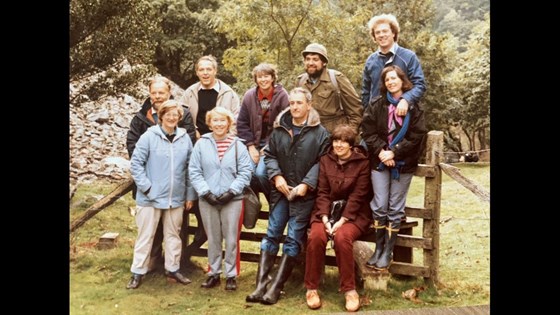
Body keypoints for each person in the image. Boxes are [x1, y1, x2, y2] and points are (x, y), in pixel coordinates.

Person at [246, 87, 330, 305]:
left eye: (299, 103)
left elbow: (322, 163)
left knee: (293, 238)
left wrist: (306, 184)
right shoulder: (280, 129)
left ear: (309, 105)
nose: (294, 107)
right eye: (291, 103)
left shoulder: (321, 134)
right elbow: (270, 155)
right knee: (272, 233)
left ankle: (276, 287)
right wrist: (276, 177)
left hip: (303, 196)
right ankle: (260, 285)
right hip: (281, 192)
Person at [125, 76, 196, 272]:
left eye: (161, 92)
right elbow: (134, 148)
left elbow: (189, 151)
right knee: (148, 231)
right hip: (150, 184)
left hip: (175, 187)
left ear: (169, 93)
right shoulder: (141, 118)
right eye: (154, 93)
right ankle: (147, 264)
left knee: (175, 231)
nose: (157, 96)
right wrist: (150, 174)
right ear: (150, 94)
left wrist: (189, 191)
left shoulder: (183, 117)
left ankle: (174, 266)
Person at [360, 65, 427, 271]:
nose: (390, 82)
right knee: (379, 206)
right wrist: (382, 151)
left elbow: (417, 135)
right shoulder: (377, 104)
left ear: (402, 81)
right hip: (380, 162)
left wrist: (395, 152)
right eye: (387, 80)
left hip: (403, 164)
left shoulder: (414, 107)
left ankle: (388, 251)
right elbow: (367, 131)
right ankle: (378, 249)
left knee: (395, 208)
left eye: (394, 78)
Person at [303, 125, 372, 312]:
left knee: (342, 238)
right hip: (326, 211)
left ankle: (349, 290)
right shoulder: (325, 160)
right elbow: (323, 192)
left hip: (354, 215)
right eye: (336, 141)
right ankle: (312, 288)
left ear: (351, 145)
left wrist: (342, 221)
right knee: (316, 237)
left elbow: (358, 196)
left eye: (343, 141)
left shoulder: (362, 163)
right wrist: (325, 219)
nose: (339, 145)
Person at [179, 55, 241, 263]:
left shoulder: (228, 93)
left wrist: (218, 138)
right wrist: (197, 135)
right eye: (201, 69)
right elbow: (183, 119)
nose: (205, 73)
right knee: (195, 183)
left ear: (215, 71)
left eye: (209, 69)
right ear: (197, 72)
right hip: (197, 144)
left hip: (222, 144)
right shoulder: (189, 93)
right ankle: (202, 228)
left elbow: (235, 121)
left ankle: (210, 231)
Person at [188, 107, 252, 291]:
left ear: (229, 123)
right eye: (215, 120)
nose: (219, 124)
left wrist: (232, 192)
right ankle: (213, 273)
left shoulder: (238, 145)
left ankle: (231, 275)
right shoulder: (201, 144)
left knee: (231, 239)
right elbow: (194, 170)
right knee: (213, 237)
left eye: (223, 120)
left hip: (232, 199)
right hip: (208, 199)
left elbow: (246, 171)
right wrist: (205, 192)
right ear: (210, 123)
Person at [236, 63, 289, 203]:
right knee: (247, 173)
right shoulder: (249, 96)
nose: (263, 80)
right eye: (260, 77)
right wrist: (251, 146)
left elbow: (285, 124)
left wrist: (268, 147)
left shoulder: (283, 96)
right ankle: (253, 203)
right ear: (256, 79)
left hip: (273, 145)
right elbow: (241, 123)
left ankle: (274, 201)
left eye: (266, 76)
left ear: (273, 78)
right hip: (253, 143)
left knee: (260, 173)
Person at [361, 13, 426, 116]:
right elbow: (366, 91)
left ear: (393, 33)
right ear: (374, 37)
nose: (381, 35)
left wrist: (406, 99)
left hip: (403, 115)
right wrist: (367, 112)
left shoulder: (408, 57)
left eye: (385, 31)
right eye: (377, 32)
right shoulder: (371, 60)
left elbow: (420, 85)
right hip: (376, 118)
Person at [296, 43, 362, 135]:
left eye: (315, 59)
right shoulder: (301, 81)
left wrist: (347, 136)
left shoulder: (336, 79)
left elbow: (356, 112)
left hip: (335, 136)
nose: (310, 63)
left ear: (324, 62)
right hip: (309, 135)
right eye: (307, 59)